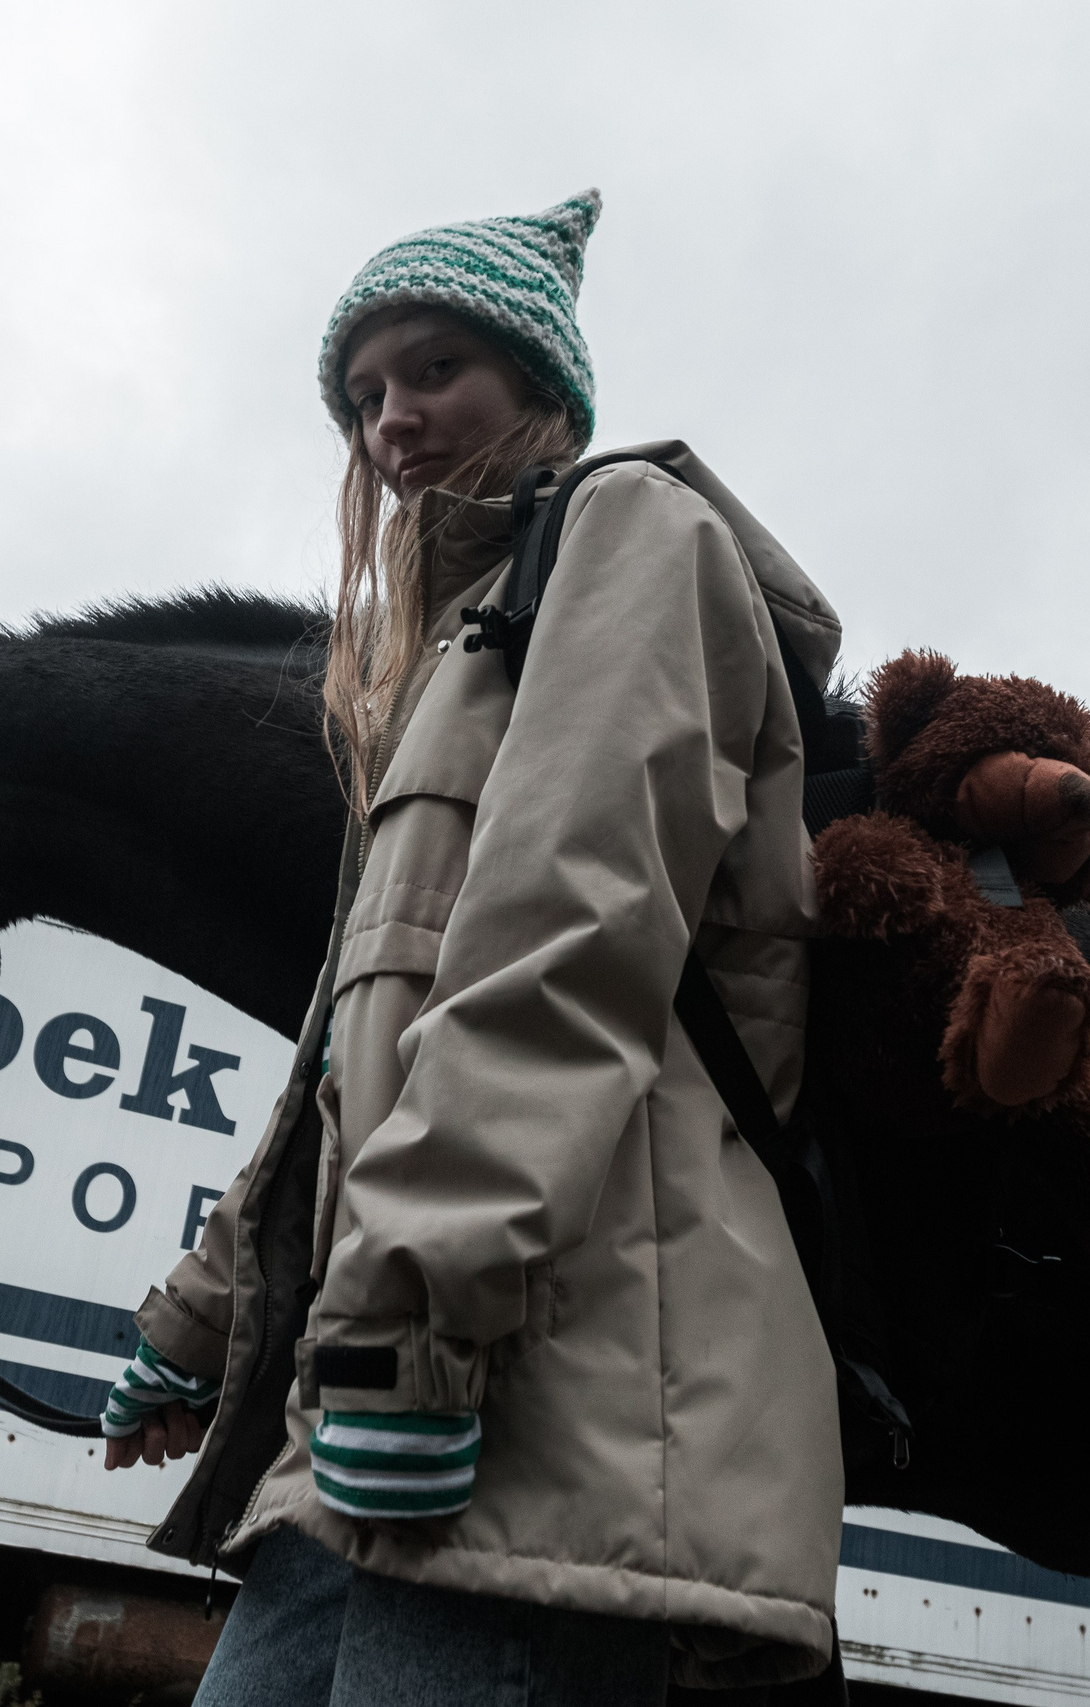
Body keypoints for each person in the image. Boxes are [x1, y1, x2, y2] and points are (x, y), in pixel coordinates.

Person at [99, 190, 847, 1704]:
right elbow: (343, 1051)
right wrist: (206, 1314)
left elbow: (565, 941)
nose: (392, 421)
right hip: (386, 1388)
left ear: (543, 385)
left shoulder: (632, 534)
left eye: (436, 370)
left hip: (548, 1387)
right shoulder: (452, 653)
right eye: (366, 394)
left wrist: (411, 1321)